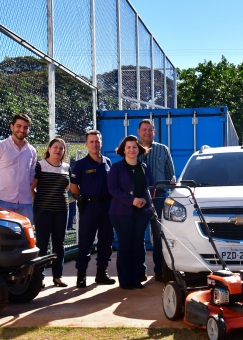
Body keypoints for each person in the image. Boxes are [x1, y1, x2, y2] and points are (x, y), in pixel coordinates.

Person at [107, 135, 155, 290]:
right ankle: (125, 280)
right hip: (121, 213)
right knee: (126, 244)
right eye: (128, 147)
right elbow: (113, 189)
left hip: (142, 213)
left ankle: (136, 278)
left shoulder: (144, 167)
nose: (131, 150)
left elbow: (151, 187)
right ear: (123, 150)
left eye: (134, 147)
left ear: (139, 149)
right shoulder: (116, 168)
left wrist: (145, 200)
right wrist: (132, 200)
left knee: (138, 245)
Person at [70, 130, 116, 289]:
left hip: (107, 207)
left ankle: (101, 273)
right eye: (91, 142)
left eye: (97, 141)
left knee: (106, 241)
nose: (95, 144)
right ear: (86, 144)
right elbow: (74, 188)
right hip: (89, 207)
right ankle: (81, 275)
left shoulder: (108, 162)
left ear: (101, 143)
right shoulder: (81, 164)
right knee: (85, 241)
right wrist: (80, 200)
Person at [136, 119, 175, 282]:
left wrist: (170, 185)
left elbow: (170, 175)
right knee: (137, 235)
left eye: (150, 130)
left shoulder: (163, 150)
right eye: (144, 130)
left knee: (159, 235)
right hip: (138, 199)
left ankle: (160, 271)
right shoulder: (132, 148)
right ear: (139, 132)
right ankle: (139, 270)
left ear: (155, 132)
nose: (147, 132)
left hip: (158, 197)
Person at [31, 138, 70, 288]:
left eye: (61, 148)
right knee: (42, 244)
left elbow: (66, 189)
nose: (58, 150)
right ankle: (39, 277)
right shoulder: (40, 166)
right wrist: (40, 201)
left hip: (62, 211)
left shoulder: (66, 167)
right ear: (49, 149)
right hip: (43, 212)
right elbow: (31, 187)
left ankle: (57, 277)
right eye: (55, 147)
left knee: (59, 245)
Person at [0, 113, 37, 223]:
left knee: (26, 238)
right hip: (2, 202)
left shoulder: (31, 151)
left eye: (25, 127)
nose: (22, 130)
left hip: (25, 203)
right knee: (3, 237)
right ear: (11, 126)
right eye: (18, 126)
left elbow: (32, 175)